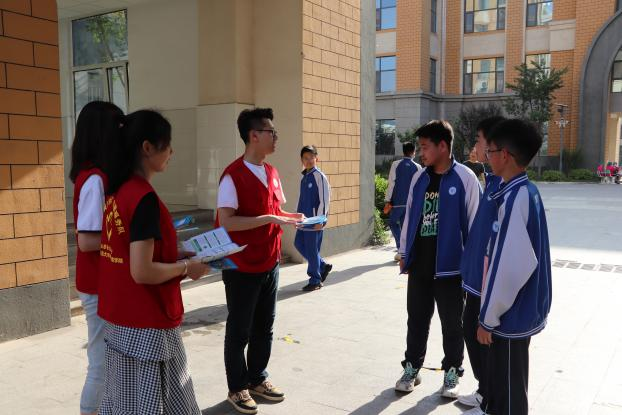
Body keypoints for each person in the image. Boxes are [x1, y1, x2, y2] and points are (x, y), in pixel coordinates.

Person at [98, 110, 209, 415]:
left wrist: (173, 255)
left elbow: (129, 253)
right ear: (147, 147)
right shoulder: (143, 198)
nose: (172, 152)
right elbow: (142, 270)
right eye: (167, 144)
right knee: (159, 404)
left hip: (120, 317)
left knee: (125, 402)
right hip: (146, 322)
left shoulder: (118, 192)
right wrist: (188, 268)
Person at [216, 108, 303, 414]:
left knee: (264, 326)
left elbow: (276, 211)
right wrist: (267, 218)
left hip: (269, 261)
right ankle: (237, 387)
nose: (276, 136)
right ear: (254, 136)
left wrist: (296, 219)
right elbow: (227, 221)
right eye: (271, 132)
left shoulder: (271, 172)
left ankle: (257, 378)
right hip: (241, 265)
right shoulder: (233, 176)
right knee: (239, 329)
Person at [395, 120, 481, 399]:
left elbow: (476, 224)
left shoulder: (465, 178)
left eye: (425, 147)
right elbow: (410, 216)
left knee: (453, 324)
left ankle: (452, 372)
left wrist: (473, 265)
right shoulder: (419, 178)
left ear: (442, 146)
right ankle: (412, 368)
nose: (421, 153)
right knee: (416, 320)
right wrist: (404, 253)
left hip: (452, 269)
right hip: (420, 264)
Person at [478, 119, 552, 415]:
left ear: (505, 155)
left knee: (509, 395)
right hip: (518, 311)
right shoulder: (524, 191)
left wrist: (488, 317)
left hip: (510, 315)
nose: (487, 157)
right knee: (507, 388)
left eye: (491, 151)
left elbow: (507, 266)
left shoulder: (515, 197)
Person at [70, 101, 124, 415]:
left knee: (106, 363)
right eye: (118, 128)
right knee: (101, 365)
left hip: (102, 282)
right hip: (97, 283)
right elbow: (87, 240)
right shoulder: (94, 180)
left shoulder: (99, 176)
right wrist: (131, 239)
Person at [458, 116, 505, 414]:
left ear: (493, 145)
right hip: (476, 277)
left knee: (481, 337)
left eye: (478, 139)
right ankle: (484, 390)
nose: (474, 146)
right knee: (470, 331)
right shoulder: (490, 178)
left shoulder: (504, 186)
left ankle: (490, 399)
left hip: (487, 282)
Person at [294, 145, 333, 291]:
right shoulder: (304, 177)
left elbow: (325, 199)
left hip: (315, 221)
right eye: (306, 158)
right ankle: (322, 265)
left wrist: (321, 220)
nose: (309, 160)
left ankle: (315, 280)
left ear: (317, 158)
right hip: (303, 220)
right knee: (298, 243)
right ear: (302, 160)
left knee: (311, 250)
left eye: (311, 157)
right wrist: (296, 216)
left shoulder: (319, 176)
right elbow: (300, 199)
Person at [384, 142, 420, 261]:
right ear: (413, 152)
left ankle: (401, 248)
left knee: (392, 223)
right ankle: (404, 251)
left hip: (397, 202)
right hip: (411, 203)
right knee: (405, 227)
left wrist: (387, 200)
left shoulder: (395, 164)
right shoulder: (417, 167)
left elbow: (391, 183)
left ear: (403, 151)